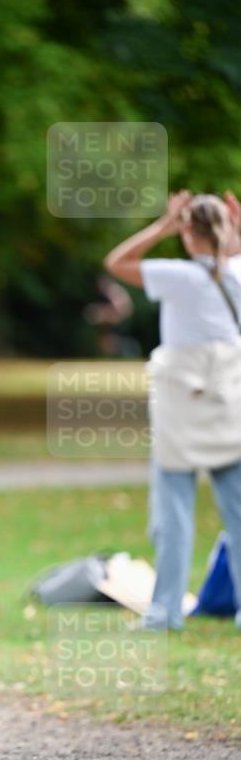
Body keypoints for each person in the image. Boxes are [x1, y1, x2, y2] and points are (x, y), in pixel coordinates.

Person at [104, 190, 241, 631]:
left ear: (187, 231)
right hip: (228, 406)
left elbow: (117, 262)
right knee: (238, 513)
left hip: (181, 410)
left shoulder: (177, 276)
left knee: (173, 513)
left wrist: (163, 224)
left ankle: (164, 613)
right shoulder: (237, 273)